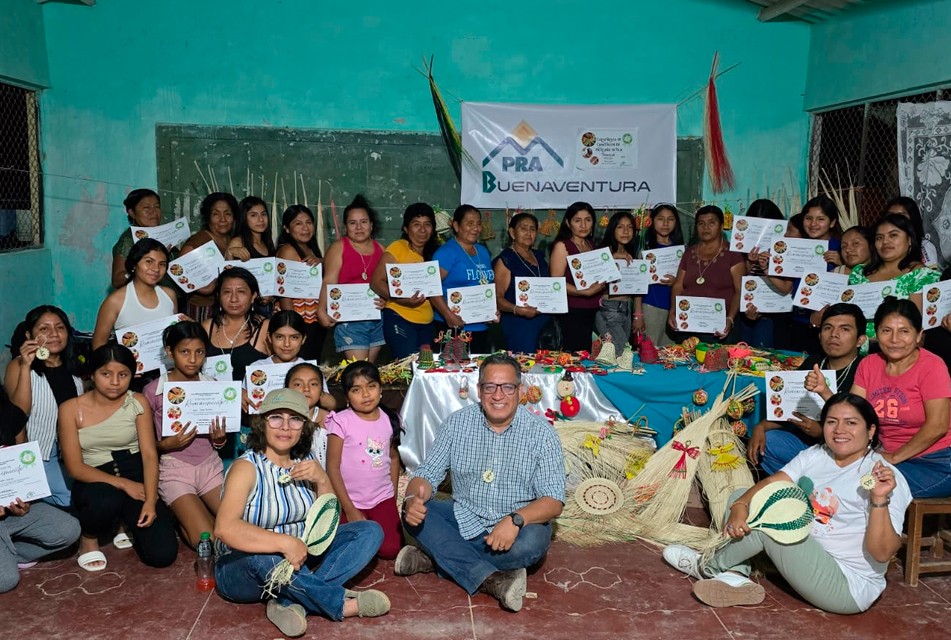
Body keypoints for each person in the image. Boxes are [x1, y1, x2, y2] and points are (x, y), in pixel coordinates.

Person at [664, 392, 911, 614]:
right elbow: (774, 482)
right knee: (742, 495)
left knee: (771, 523)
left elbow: (882, 554)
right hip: (810, 551)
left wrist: (879, 499)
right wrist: (739, 506)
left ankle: (706, 567)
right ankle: (734, 575)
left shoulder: (882, 475)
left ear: (870, 431)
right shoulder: (818, 454)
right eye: (832, 422)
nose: (839, 430)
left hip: (846, 585)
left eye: (851, 423)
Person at [214, 388, 389, 637]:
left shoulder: (305, 459)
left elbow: (327, 520)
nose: (285, 427)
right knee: (266, 556)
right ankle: (339, 603)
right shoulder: (247, 468)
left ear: (303, 427)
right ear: (262, 423)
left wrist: (321, 479)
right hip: (243, 568)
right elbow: (225, 528)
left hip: (299, 556)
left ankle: (290, 602)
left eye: (294, 419)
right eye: (276, 417)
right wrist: (283, 542)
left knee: (369, 531)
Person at [397, 353, 565, 612]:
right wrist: (412, 500)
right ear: (479, 390)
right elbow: (427, 473)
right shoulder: (457, 423)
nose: (498, 395)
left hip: (517, 526)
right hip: (464, 513)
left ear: (520, 390)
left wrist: (516, 520)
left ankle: (435, 558)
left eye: (507, 387)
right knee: (417, 516)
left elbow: (553, 501)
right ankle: (491, 579)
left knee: (532, 546)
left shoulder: (541, 434)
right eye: (490, 387)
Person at [810, 297, 951, 498]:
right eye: (886, 331)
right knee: (799, 457)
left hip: (935, 463)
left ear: (919, 335)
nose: (894, 339)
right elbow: (854, 414)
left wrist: (892, 458)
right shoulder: (869, 364)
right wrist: (824, 391)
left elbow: (937, 426)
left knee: (853, 483)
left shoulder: (932, 367)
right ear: (876, 334)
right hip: (881, 457)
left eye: (904, 331)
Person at [58, 344, 178, 571]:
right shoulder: (70, 409)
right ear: (92, 374)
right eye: (106, 374)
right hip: (95, 479)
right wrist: (124, 485)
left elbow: (150, 455)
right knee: (106, 500)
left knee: (162, 555)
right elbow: (74, 467)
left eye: (122, 375)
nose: (115, 382)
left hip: (135, 472)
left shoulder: (138, 401)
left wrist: (151, 501)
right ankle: (89, 537)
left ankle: (124, 523)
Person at [748, 303, 866, 473]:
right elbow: (789, 410)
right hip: (809, 448)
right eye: (828, 328)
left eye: (845, 329)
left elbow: (862, 425)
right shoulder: (813, 362)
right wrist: (761, 427)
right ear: (820, 335)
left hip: (848, 452)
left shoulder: (866, 368)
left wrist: (822, 432)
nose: (834, 335)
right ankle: (805, 488)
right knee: (768, 442)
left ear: (860, 340)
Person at [143, 321, 227, 548]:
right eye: (184, 352)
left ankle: (191, 515)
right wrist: (166, 444)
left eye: (199, 352)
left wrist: (218, 439)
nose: (192, 359)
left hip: (210, 467)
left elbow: (218, 440)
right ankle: (183, 520)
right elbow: (143, 444)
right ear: (170, 351)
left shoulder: (212, 386)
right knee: (208, 542)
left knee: (238, 524)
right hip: (174, 470)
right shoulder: (153, 390)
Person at [0, 388, 81, 593]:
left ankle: (12, 554)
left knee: (69, 530)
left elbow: (23, 469)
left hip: (11, 512)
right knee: (6, 580)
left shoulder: (9, 414)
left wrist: (26, 497)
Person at [4, 306, 84, 507]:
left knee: (91, 491)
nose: (54, 334)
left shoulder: (74, 369)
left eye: (60, 327)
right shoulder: (19, 366)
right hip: (40, 454)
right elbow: (17, 416)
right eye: (44, 329)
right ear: (29, 335)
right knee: (70, 499)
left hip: (74, 449)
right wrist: (25, 366)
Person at [325, 361, 403, 560]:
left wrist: (391, 496)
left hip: (381, 498)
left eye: (371, 386)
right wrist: (349, 508)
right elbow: (332, 467)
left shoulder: (389, 418)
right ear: (347, 396)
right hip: (350, 500)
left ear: (380, 389)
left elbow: (393, 458)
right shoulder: (341, 421)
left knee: (391, 549)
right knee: (344, 548)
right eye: (356, 389)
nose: (366, 394)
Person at [848, 214, 940, 345]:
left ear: (909, 240)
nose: (885, 242)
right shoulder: (859, 273)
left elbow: (918, 328)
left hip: (899, 351)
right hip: (852, 350)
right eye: (879, 237)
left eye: (893, 235)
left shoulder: (920, 275)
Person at [318, 195, 386, 362]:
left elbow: (387, 284)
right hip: (349, 320)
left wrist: (386, 300)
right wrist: (321, 310)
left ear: (371, 225)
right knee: (359, 370)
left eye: (363, 222)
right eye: (352, 223)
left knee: (369, 369)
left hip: (377, 318)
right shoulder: (338, 247)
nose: (359, 227)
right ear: (345, 226)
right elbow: (329, 281)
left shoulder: (382, 250)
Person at [370, 202, 440, 359]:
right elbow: (376, 281)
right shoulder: (398, 248)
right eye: (416, 224)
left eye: (427, 224)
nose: (422, 230)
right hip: (399, 317)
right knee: (406, 366)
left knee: (425, 369)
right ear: (406, 229)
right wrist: (402, 299)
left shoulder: (436, 253)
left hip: (427, 322)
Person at [668, 205, 745, 343]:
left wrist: (730, 318)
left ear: (721, 226)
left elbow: (739, 290)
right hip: (688, 324)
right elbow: (678, 285)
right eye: (701, 223)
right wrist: (673, 311)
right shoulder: (689, 253)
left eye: (711, 223)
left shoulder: (733, 254)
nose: (706, 227)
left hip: (718, 328)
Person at [432, 204, 497, 354]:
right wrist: (448, 315)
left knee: (478, 372)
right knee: (453, 373)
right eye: (469, 223)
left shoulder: (483, 251)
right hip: (453, 326)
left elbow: (486, 285)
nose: (475, 228)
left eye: (478, 223)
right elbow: (431, 288)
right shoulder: (446, 253)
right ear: (456, 225)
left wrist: (492, 310)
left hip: (480, 327)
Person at [93, 238, 178, 350]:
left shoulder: (169, 295)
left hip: (167, 366)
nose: (156, 269)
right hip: (130, 366)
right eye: (149, 261)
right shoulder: (116, 301)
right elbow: (98, 345)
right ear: (134, 264)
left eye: (162, 264)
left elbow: (175, 337)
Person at [548, 202, 604, 353]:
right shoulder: (562, 246)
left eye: (588, 220)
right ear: (568, 223)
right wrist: (583, 292)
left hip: (593, 311)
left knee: (590, 358)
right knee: (575, 358)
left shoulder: (592, 245)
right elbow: (556, 282)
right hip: (573, 312)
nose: (583, 225)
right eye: (577, 220)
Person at [492, 212, 550, 354]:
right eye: (523, 228)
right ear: (512, 232)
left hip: (544, 321)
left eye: (532, 229)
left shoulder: (539, 256)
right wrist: (518, 309)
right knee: (524, 367)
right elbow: (497, 298)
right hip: (519, 323)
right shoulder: (506, 259)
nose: (528, 233)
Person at [201, 267, 270, 385]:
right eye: (227, 292)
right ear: (218, 296)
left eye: (241, 292)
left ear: (253, 296)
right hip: (213, 400)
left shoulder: (265, 327)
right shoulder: (207, 327)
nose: (234, 299)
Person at [275, 204, 326, 362]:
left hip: (313, 318)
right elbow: (283, 291)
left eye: (309, 222)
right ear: (287, 228)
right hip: (299, 319)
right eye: (298, 223)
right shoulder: (288, 251)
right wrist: (292, 324)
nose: (305, 228)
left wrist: (322, 261)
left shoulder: (311, 250)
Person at [180, 192, 238, 322]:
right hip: (203, 308)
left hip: (228, 306)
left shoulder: (233, 241)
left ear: (234, 217)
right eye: (216, 214)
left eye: (227, 214)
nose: (222, 219)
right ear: (208, 217)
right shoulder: (199, 240)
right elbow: (182, 272)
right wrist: (207, 287)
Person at [736, 199, 786, 348]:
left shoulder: (785, 248)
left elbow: (788, 285)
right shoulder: (739, 248)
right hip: (746, 314)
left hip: (776, 317)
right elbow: (736, 283)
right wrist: (750, 262)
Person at [634, 204, 684, 348]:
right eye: (660, 219)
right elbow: (638, 285)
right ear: (652, 221)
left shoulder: (681, 250)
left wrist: (677, 282)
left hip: (674, 308)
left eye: (670, 219)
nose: (665, 223)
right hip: (650, 306)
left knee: (670, 353)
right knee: (648, 350)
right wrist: (638, 314)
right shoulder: (646, 248)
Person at [111, 189, 179, 290]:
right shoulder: (129, 240)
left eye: (157, 207)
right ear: (132, 213)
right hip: (148, 300)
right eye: (146, 208)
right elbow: (117, 280)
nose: (153, 212)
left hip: (173, 299)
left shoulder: (164, 234)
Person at [227, 196, 277, 316]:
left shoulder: (268, 244)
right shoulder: (238, 242)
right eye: (253, 215)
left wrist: (272, 298)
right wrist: (229, 253)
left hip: (267, 308)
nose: (260, 219)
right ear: (244, 218)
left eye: (263, 214)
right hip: (246, 308)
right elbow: (227, 277)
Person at [595, 211, 638, 349]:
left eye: (630, 227)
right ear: (612, 229)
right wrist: (613, 257)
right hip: (609, 309)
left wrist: (637, 314)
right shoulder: (604, 252)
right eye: (620, 227)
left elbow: (639, 287)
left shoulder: (632, 252)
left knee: (622, 353)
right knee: (620, 351)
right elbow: (593, 271)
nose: (626, 231)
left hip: (627, 309)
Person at [284, 363, 330, 469]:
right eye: (298, 384)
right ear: (287, 388)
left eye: (313, 384)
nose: (306, 389)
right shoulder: (280, 421)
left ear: (321, 390)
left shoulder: (331, 420)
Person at [886, 196, 940, 269]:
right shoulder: (881, 244)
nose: (895, 220)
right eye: (891, 216)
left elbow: (930, 277)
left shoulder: (925, 247)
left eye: (901, 216)